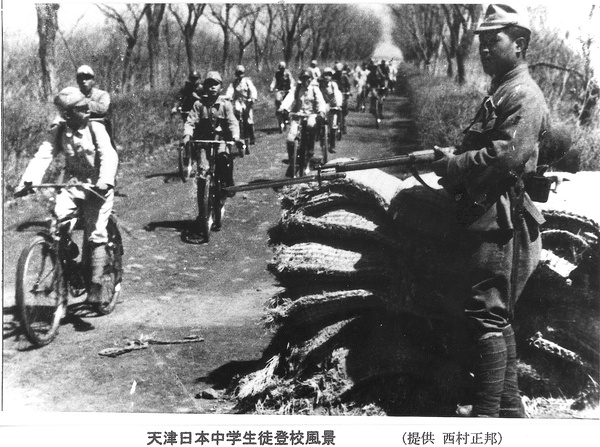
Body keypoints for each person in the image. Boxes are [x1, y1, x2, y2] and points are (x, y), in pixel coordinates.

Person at [430, 4, 549, 418]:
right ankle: (510, 412)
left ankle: (486, 419)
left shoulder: (522, 93)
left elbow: (505, 159)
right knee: (491, 314)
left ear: (519, 44)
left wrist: (453, 165)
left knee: (487, 317)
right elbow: (484, 146)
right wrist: (453, 154)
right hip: (488, 215)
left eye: (491, 41)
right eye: (479, 42)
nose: (482, 49)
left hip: (503, 218)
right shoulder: (502, 89)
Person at [14, 87, 119, 304]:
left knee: (96, 231)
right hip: (72, 187)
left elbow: (109, 155)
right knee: (58, 223)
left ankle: (97, 286)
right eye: (80, 108)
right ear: (67, 114)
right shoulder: (59, 131)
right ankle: (73, 271)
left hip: (96, 188)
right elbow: (43, 154)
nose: (87, 109)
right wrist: (28, 181)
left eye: (86, 105)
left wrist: (105, 180)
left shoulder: (96, 128)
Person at [182, 71, 242, 232]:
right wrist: (187, 135)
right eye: (209, 84)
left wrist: (235, 137)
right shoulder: (198, 105)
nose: (212, 87)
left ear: (221, 87)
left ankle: (226, 186)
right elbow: (190, 121)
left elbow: (232, 123)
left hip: (220, 141)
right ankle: (203, 214)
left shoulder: (226, 105)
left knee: (224, 159)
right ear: (204, 87)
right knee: (202, 175)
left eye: (215, 84)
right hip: (204, 144)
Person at [279, 69, 327, 177]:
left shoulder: (315, 89)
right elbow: (289, 98)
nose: (306, 80)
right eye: (303, 78)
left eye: (308, 78)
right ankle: (293, 162)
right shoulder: (296, 88)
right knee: (290, 139)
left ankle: (308, 157)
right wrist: (284, 108)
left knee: (311, 126)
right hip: (298, 116)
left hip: (311, 115)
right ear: (301, 79)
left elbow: (320, 101)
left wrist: (321, 111)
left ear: (311, 79)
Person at [75, 65, 114, 144]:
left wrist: (85, 104)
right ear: (77, 81)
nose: (83, 81)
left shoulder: (102, 94)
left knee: (108, 152)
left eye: (87, 78)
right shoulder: (74, 96)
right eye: (81, 78)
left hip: (101, 130)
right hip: (80, 132)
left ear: (93, 80)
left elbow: (102, 109)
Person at [225, 65, 258, 147]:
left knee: (249, 120)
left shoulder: (247, 81)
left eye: (241, 73)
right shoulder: (234, 83)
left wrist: (253, 97)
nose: (240, 75)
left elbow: (252, 89)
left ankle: (252, 136)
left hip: (247, 101)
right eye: (238, 73)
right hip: (238, 101)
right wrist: (228, 97)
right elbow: (230, 91)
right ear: (236, 74)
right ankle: (239, 134)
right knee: (237, 114)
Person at [318, 67, 343, 152]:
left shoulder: (333, 84)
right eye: (325, 75)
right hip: (323, 106)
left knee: (333, 126)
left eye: (329, 75)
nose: (327, 77)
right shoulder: (319, 84)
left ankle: (332, 145)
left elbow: (337, 94)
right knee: (320, 122)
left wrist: (338, 104)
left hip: (333, 106)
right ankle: (321, 139)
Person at [270, 61, 295, 132]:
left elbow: (291, 80)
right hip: (280, 90)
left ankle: (287, 118)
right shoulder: (277, 73)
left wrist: (291, 86)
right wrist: (272, 86)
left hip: (287, 90)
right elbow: (274, 80)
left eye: (283, 68)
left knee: (287, 107)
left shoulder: (287, 72)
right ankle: (280, 120)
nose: (282, 70)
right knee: (278, 101)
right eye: (280, 68)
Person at [332, 62, 352, 133]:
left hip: (343, 95)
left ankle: (344, 125)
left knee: (344, 111)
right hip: (335, 96)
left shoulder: (344, 77)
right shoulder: (333, 76)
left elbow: (348, 85)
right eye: (337, 71)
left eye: (340, 71)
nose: (339, 73)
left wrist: (348, 92)